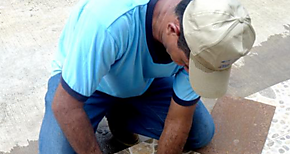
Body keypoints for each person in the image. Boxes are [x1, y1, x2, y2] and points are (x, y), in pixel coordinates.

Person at [38, 0, 255, 153]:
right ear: (173, 30)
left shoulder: (202, 39)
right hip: (85, 85)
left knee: (200, 133)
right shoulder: (108, 21)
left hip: (142, 81)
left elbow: (179, 119)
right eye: (189, 65)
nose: (190, 73)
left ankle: (119, 113)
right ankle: (115, 107)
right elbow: (66, 106)